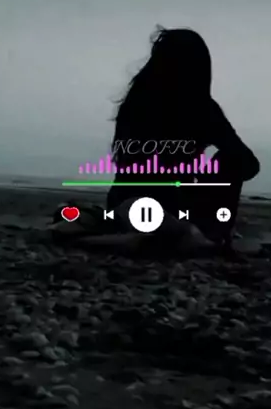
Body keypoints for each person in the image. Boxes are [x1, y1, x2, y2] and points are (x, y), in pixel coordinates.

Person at [107, 26, 260, 248]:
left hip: (132, 202)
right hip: (164, 205)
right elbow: (248, 163)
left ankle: (176, 234)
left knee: (155, 222)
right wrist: (206, 176)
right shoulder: (201, 109)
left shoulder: (137, 102)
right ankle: (206, 235)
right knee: (229, 162)